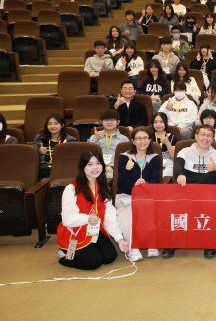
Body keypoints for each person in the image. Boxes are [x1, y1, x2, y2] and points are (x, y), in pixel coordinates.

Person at [56, 152, 130, 270]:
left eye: (98, 163)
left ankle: (87, 250)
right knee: (93, 262)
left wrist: (119, 239)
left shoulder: (103, 187)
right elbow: (67, 219)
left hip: (93, 231)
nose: (95, 167)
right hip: (74, 233)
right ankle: (66, 255)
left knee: (110, 256)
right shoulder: (71, 189)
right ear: (82, 167)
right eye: (90, 164)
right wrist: (87, 219)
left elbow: (109, 216)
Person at [174, 124, 216, 259]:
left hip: (208, 194)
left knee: (210, 208)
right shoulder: (185, 151)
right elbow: (178, 166)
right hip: (187, 191)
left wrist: (215, 168)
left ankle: (209, 243)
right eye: (203, 134)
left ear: (213, 139)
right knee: (175, 208)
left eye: (209, 136)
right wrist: (180, 174)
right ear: (196, 136)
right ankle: (173, 242)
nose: (205, 138)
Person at [115, 127, 162, 262]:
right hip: (127, 196)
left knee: (151, 210)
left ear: (150, 140)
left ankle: (151, 242)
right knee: (129, 216)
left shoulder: (155, 158)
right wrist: (127, 170)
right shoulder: (125, 158)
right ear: (133, 141)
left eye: (145, 138)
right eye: (138, 138)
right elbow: (121, 185)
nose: (142, 141)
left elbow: (157, 180)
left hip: (147, 196)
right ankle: (133, 247)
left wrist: (145, 184)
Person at [87, 110, 129, 178]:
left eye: (112, 120)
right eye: (106, 120)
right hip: (96, 166)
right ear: (101, 122)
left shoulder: (124, 139)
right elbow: (86, 152)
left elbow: (127, 158)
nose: (109, 122)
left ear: (118, 122)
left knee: (109, 175)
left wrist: (114, 167)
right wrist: (95, 138)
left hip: (115, 168)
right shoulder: (95, 136)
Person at [33, 114, 77, 179]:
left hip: (61, 172)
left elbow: (71, 162)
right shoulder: (39, 138)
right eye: (49, 124)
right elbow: (32, 158)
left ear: (62, 125)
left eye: (56, 123)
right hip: (42, 172)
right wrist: (38, 152)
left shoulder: (70, 141)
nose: (52, 126)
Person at [151, 112, 177, 177]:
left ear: (166, 123)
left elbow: (174, 158)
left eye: (161, 122)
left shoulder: (172, 137)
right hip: (153, 163)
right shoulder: (149, 137)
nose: (158, 124)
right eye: (155, 122)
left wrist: (167, 143)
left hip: (169, 164)